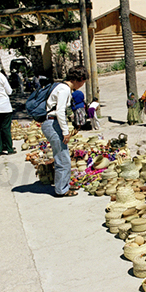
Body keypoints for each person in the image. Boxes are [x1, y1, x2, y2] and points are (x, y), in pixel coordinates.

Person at [40, 65, 88, 197]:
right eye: (83, 82)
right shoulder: (64, 89)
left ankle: (64, 184)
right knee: (63, 158)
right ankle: (61, 189)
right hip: (52, 123)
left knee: (63, 155)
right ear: (79, 79)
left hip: (52, 122)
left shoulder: (61, 86)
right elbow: (60, 111)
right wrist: (65, 132)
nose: (82, 85)